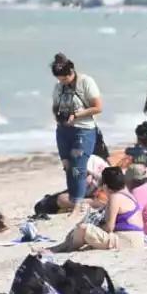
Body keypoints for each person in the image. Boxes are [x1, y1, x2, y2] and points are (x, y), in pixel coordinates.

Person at [52, 52, 104, 219]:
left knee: (78, 167)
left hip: (83, 129)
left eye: (64, 79)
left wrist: (77, 114)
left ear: (71, 72)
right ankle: (76, 201)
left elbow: (98, 107)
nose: (62, 82)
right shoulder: (58, 86)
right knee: (68, 166)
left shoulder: (86, 82)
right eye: (59, 79)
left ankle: (78, 205)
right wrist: (59, 115)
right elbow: (55, 106)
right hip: (63, 131)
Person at [48, 167, 146, 252]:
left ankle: (66, 250)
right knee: (83, 232)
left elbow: (109, 227)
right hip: (136, 239)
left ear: (105, 186)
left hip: (125, 240)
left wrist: (96, 227)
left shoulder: (115, 197)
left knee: (82, 228)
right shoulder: (128, 195)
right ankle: (60, 248)